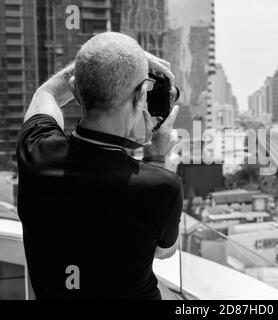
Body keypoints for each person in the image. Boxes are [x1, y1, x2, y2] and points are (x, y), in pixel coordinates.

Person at [16, 32, 183, 300]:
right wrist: (157, 159)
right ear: (142, 95)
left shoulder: (36, 153)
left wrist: (91, 68)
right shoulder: (160, 185)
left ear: (75, 89)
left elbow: (46, 92)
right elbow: (165, 250)